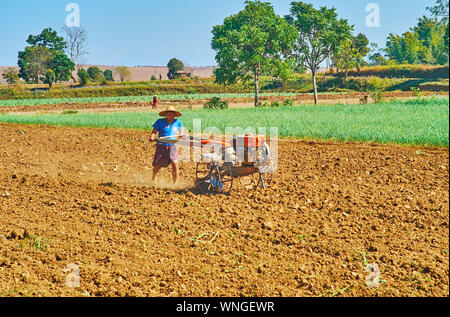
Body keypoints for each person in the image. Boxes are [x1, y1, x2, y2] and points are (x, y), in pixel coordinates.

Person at [149, 106, 184, 184]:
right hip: (161, 145)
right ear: (166, 115)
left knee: (174, 164)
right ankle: (153, 179)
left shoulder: (177, 122)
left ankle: (175, 183)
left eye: (172, 114)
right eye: (169, 114)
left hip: (172, 146)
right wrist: (152, 137)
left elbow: (182, 129)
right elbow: (154, 132)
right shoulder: (159, 122)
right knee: (158, 165)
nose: (171, 116)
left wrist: (181, 134)